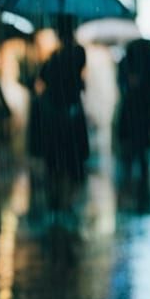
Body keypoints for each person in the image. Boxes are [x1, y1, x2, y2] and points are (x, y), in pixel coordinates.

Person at [32, 15, 90, 217]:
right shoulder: (79, 52)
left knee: (56, 161)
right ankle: (67, 200)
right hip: (73, 112)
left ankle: (55, 199)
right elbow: (80, 80)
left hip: (55, 114)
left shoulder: (54, 57)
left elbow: (42, 81)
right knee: (71, 160)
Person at [117, 38, 150, 210]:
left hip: (130, 110)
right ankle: (142, 186)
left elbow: (121, 82)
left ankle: (128, 182)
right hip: (146, 111)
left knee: (129, 150)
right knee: (143, 151)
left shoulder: (127, 63)